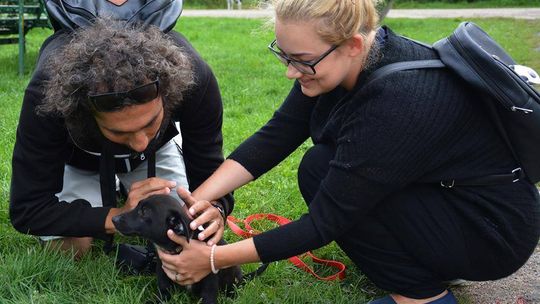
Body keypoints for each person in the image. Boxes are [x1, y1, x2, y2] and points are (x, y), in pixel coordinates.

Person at [156, 0, 540, 303]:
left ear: (353, 44)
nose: (291, 71)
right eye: (284, 56)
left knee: (330, 182)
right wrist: (198, 200)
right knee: (317, 166)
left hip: (490, 232)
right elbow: (276, 135)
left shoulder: (396, 102)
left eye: (301, 61)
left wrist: (211, 259)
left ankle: (423, 295)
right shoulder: (337, 61)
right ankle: (428, 263)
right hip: (449, 200)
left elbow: (325, 223)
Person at [9, 18, 231, 259]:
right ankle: (114, 189)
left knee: (186, 233)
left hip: (157, 154)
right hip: (81, 158)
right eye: (119, 131)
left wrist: (216, 208)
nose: (140, 143)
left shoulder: (193, 77)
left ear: (168, 94)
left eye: (150, 123)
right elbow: (28, 208)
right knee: (69, 249)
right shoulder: (46, 94)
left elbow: (211, 174)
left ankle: (128, 177)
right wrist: (116, 216)